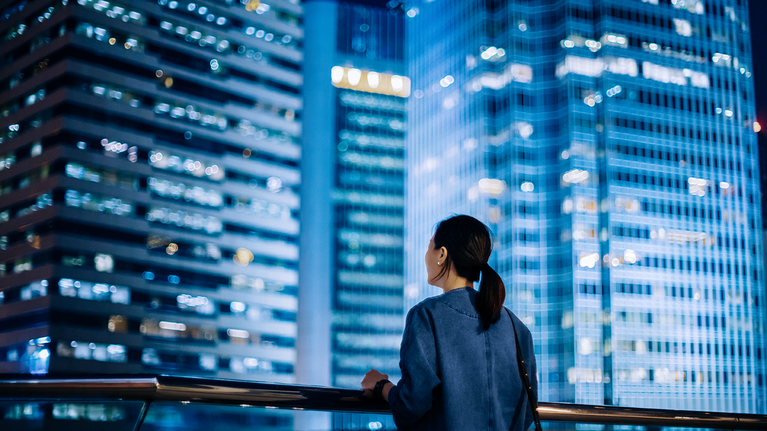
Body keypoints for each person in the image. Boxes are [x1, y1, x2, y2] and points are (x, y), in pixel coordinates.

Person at [361, 215, 538, 430]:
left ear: (442, 254)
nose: (426, 255)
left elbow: (411, 405)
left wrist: (380, 385)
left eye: (429, 247)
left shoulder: (426, 315)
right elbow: (527, 411)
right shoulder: (516, 327)